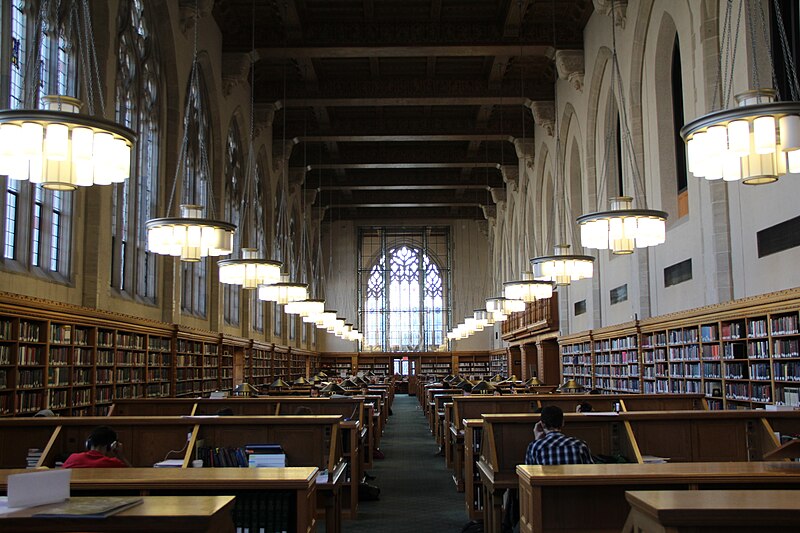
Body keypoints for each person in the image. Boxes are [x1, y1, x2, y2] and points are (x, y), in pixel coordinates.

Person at [526, 406, 593, 465]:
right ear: (562, 423)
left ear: (542, 424)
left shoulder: (535, 447)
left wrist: (537, 440)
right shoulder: (580, 445)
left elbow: (530, 472)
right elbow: (591, 471)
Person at [62, 426, 130, 468]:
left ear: (88, 443)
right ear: (112, 446)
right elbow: (133, 477)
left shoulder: (73, 458)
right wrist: (121, 457)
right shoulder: (113, 463)